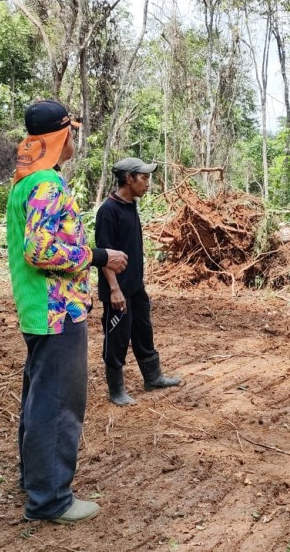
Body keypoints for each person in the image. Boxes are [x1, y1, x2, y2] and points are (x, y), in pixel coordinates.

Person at [6, 99, 128, 523]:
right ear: (60, 136)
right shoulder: (47, 185)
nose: (74, 138)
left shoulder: (25, 181)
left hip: (39, 309)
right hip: (56, 311)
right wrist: (98, 256)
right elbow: (39, 248)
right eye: (71, 131)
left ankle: (35, 480)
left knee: (40, 398)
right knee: (58, 403)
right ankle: (51, 500)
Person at [96, 157, 181, 406]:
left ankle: (153, 377)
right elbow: (104, 253)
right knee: (117, 336)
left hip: (135, 286)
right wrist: (114, 289)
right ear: (128, 178)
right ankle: (116, 390)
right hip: (117, 290)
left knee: (144, 331)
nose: (148, 183)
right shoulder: (108, 211)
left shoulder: (130, 204)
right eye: (143, 178)